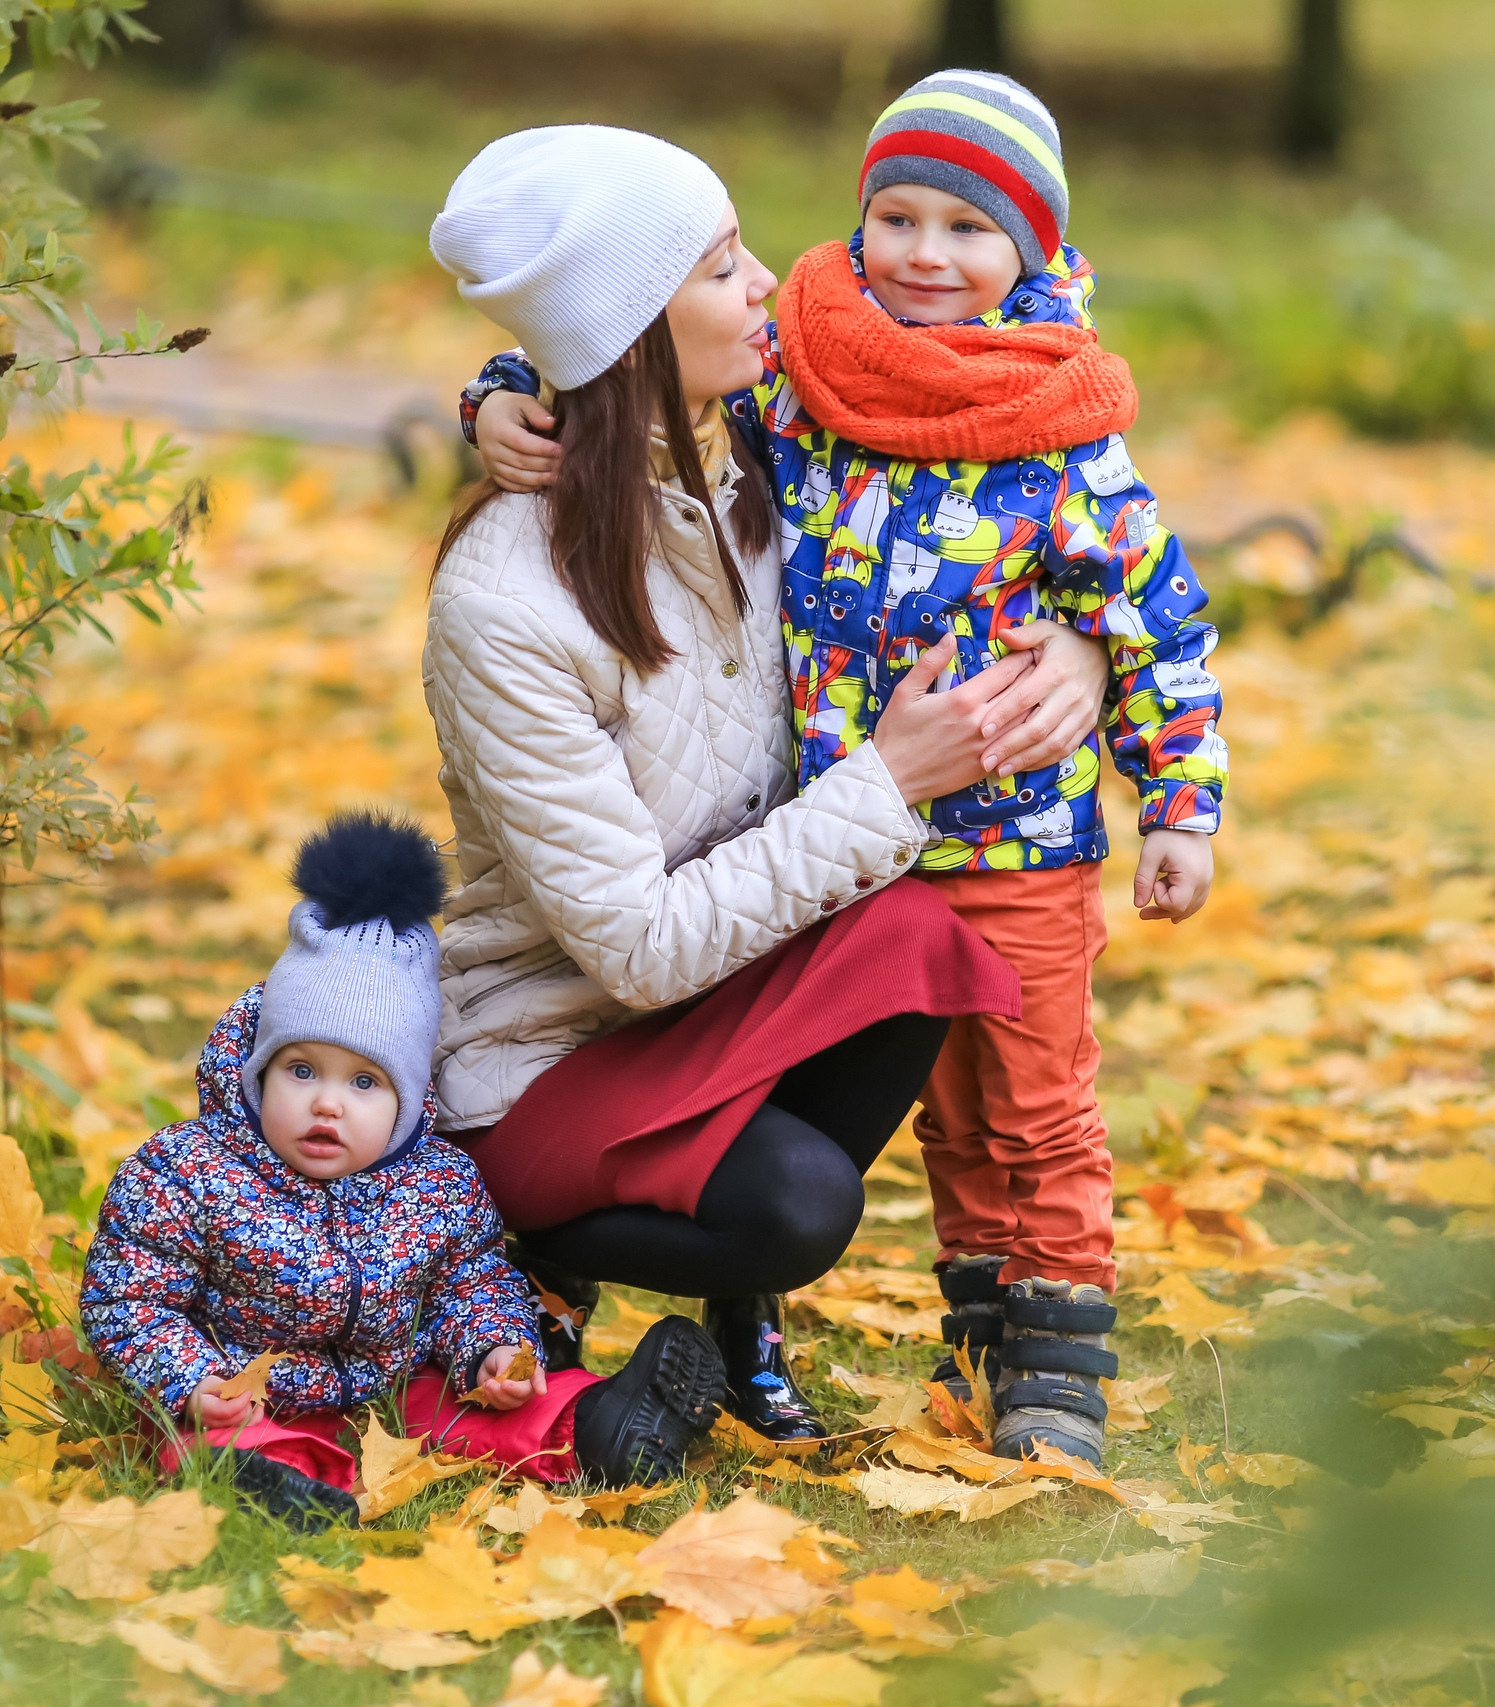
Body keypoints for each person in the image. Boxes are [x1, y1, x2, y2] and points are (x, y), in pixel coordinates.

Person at [460, 73, 1229, 1466]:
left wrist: (1146, 748)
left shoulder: (1041, 434)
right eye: (896, 215)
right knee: (937, 1123)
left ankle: (1046, 1352)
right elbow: (599, 362)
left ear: (1036, 253)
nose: (919, 254)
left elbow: (1149, 610)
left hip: (1001, 846)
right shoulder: (803, 409)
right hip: (764, 896)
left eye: (967, 228)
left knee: (1032, 1096)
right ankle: (927, 1313)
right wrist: (513, 384)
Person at [82, 815, 729, 1530]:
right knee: (212, 1436)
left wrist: (494, 1346)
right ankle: (270, 1482)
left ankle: (598, 1423)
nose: (327, 1100)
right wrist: (192, 1379)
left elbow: (472, 1282)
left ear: (408, 1100)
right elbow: (130, 1299)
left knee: (477, 1408)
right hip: (243, 1392)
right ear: (258, 1073)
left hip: (391, 1389)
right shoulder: (187, 1173)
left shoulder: (438, 1185)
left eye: (365, 1083)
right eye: (301, 1070)